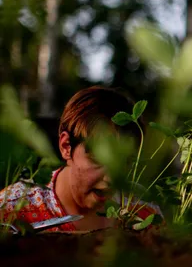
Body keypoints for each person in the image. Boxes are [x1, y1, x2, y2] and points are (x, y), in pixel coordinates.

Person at [0, 86, 161, 232]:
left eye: (125, 162)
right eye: (98, 159)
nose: (111, 178)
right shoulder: (12, 210)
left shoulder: (143, 209)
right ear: (66, 146)